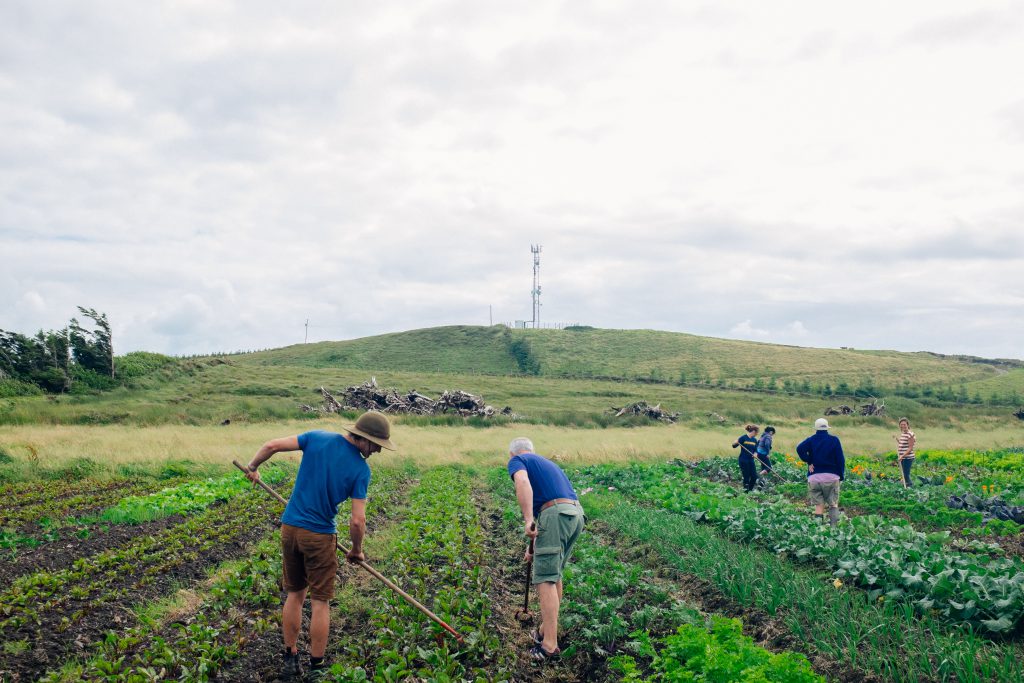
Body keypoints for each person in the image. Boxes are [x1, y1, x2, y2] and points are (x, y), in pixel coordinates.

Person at [244, 411, 395, 680]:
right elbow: (358, 521)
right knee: (320, 602)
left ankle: (290, 659)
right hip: (320, 536)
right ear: (362, 438)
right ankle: (316, 666)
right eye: (375, 445)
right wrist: (357, 550)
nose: (376, 452)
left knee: (294, 595)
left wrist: (253, 467)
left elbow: (271, 446)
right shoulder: (361, 470)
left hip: (290, 528)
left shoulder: (316, 438)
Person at [507, 437, 585, 661]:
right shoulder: (547, 464)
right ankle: (544, 630)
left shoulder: (518, 460)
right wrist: (532, 548)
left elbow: (522, 483)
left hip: (555, 514)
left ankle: (549, 645)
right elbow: (549, 504)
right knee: (555, 574)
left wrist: (527, 519)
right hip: (575, 515)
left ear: (514, 455)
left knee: (545, 579)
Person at [796, 418, 845, 526]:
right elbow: (840, 459)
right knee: (833, 504)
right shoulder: (834, 440)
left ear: (816, 428)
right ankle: (834, 529)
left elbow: (799, 449)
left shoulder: (811, 440)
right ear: (827, 428)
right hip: (832, 477)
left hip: (814, 477)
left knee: (818, 505)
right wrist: (841, 476)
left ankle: (818, 531)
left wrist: (809, 461)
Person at [731, 424, 760, 492]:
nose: (757, 434)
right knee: (746, 477)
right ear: (753, 431)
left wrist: (755, 454)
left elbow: (756, 450)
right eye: (757, 432)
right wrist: (735, 443)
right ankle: (745, 492)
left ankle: (749, 490)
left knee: (754, 477)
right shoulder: (743, 438)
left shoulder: (754, 440)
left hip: (751, 460)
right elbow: (734, 446)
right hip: (743, 460)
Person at [895, 418, 916, 487]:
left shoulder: (910, 434)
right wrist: (896, 439)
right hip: (903, 457)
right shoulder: (903, 434)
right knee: (903, 474)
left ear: (907, 425)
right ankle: (906, 486)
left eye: (904, 424)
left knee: (906, 474)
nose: (903, 426)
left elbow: (910, 448)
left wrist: (902, 456)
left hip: (908, 457)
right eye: (901, 424)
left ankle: (910, 486)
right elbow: (902, 444)